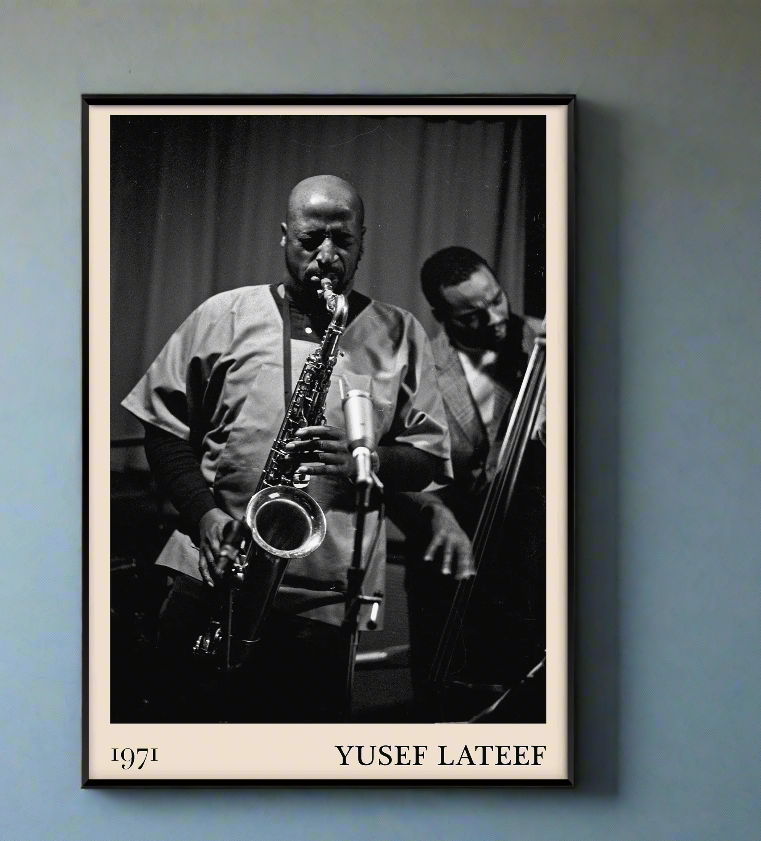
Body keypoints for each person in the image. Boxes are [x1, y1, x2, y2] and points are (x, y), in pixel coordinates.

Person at [121, 174, 452, 723]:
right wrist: (203, 516)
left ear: (363, 241)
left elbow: (429, 457)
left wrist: (364, 461)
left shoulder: (401, 333)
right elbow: (164, 429)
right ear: (283, 237)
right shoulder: (223, 314)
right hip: (210, 572)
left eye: (342, 242)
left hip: (321, 598)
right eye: (309, 240)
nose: (326, 256)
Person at [386, 246, 546, 720]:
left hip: (536, 565)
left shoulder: (549, 344)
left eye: (497, 299)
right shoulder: (419, 369)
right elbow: (396, 470)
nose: (496, 318)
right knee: (450, 709)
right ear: (441, 315)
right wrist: (433, 513)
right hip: (452, 570)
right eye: (473, 315)